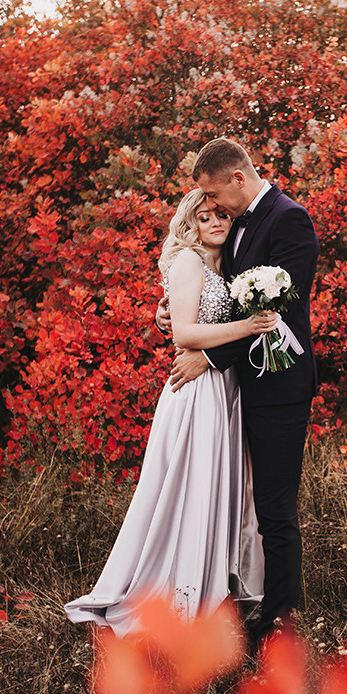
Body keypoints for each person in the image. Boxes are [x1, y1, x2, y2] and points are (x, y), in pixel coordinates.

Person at [65, 189, 278, 635]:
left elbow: (184, 319)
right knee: (189, 487)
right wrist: (250, 325)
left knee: (219, 486)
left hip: (226, 390)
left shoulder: (231, 267)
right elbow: (183, 329)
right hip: (197, 391)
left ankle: (214, 585)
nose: (216, 222)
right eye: (205, 217)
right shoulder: (188, 262)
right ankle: (178, 595)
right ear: (191, 224)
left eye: (221, 214)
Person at [159, 137, 318, 644]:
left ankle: (277, 626)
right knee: (235, 501)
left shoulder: (288, 219)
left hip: (277, 389)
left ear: (236, 179)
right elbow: (219, 295)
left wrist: (206, 356)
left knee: (274, 508)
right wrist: (169, 313)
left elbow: (278, 312)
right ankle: (228, 595)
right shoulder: (236, 228)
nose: (211, 206)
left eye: (213, 193)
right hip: (234, 391)